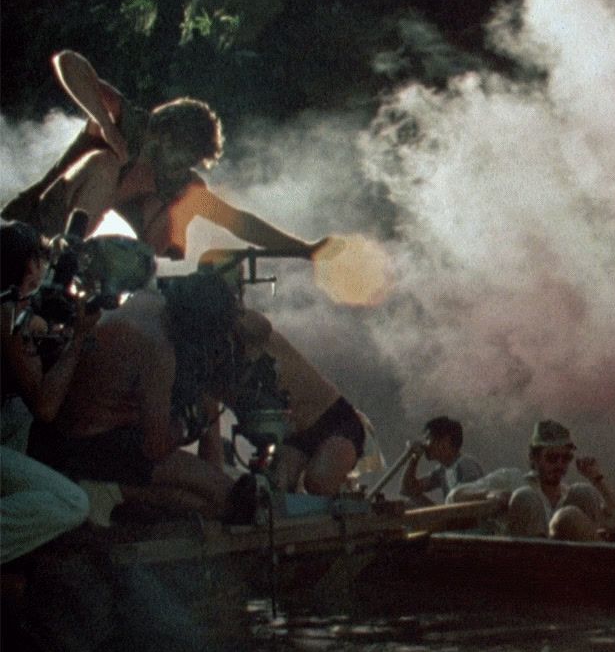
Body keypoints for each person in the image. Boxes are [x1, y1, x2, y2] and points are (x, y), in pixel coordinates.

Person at [1, 50, 326, 260]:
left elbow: (240, 223)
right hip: (33, 229)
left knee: (165, 212)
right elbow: (68, 62)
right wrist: (105, 125)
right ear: (164, 134)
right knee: (105, 164)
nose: (180, 168)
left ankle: (94, 280)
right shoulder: (128, 123)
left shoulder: (181, 184)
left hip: (88, 262)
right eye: (181, 156)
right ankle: (63, 257)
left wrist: (304, 250)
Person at [27, 272, 241, 521]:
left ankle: (124, 495)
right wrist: (186, 425)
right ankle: (115, 492)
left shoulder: (145, 302)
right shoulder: (158, 348)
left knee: (194, 497)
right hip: (92, 450)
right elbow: (155, 447)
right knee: (222, 492)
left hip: (67, 439)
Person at [1, 220, 91, 562]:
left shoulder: (14, 313)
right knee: (72, 503)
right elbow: (45, 407)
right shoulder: (7, 317)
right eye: (31, 282)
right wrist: (80, 337)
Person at [230, 309, 366, 497]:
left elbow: (262, 326)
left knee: (318, 483)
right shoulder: (211, 368)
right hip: (292, 436)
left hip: (333, 420)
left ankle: (345, 490)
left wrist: (229, 320)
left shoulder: (243, 323)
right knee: (274, 490)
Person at [447, 419, 615, 541]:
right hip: (527, 570)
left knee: (584, 491)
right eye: (552, 458)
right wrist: (490, 494)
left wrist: (597, 480)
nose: (560, 465)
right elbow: (454, 496)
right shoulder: (512, 478)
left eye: (566, 458)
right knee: (525, 496)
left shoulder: (568, 494)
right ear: (533, 458)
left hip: (569, 572)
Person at [400, 416, 484, 506]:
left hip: (464, 518)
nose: (425, 445)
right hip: (451, 517)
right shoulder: (442, 470)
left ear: (445, 441)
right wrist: (414, 458)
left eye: (428, 438)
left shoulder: (466, 465)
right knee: (414, 501)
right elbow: (408, 490)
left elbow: (472, 505)